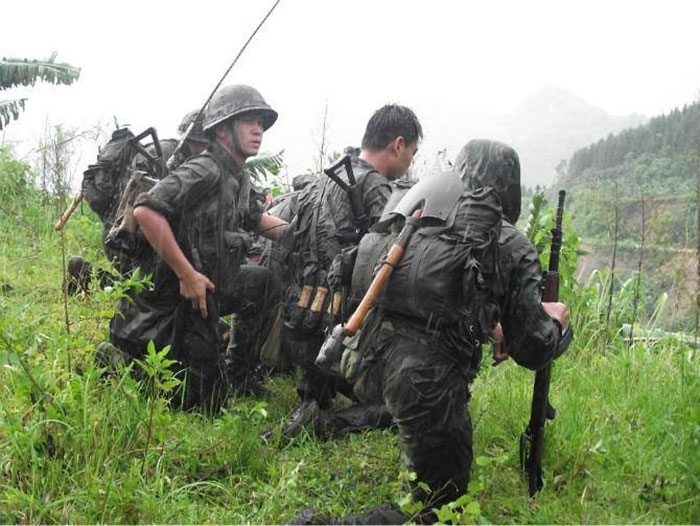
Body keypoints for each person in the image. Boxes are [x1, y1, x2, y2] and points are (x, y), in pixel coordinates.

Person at [104, 84, 288, 413]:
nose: (258, 130)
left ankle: (240, 373)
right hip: (176, 300)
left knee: (262, 282)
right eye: (249, 121)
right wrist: (187, 275)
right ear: (222, 130)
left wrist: (295, 234)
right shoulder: (206, 168)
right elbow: (145, 211)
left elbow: (255, 217)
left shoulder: (237, 175)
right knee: (204, 406)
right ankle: (118, 361)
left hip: (211, 287)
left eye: (261, 123)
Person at [279, 104, 422, 437]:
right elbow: (390, 262)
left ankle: (316, 394)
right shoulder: (376, 188)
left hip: (301, 325)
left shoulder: (324, 179)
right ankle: (325, 422)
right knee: (407, 403)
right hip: (341, 333)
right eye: (412, 153)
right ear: (398, 145)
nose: (410, 162)